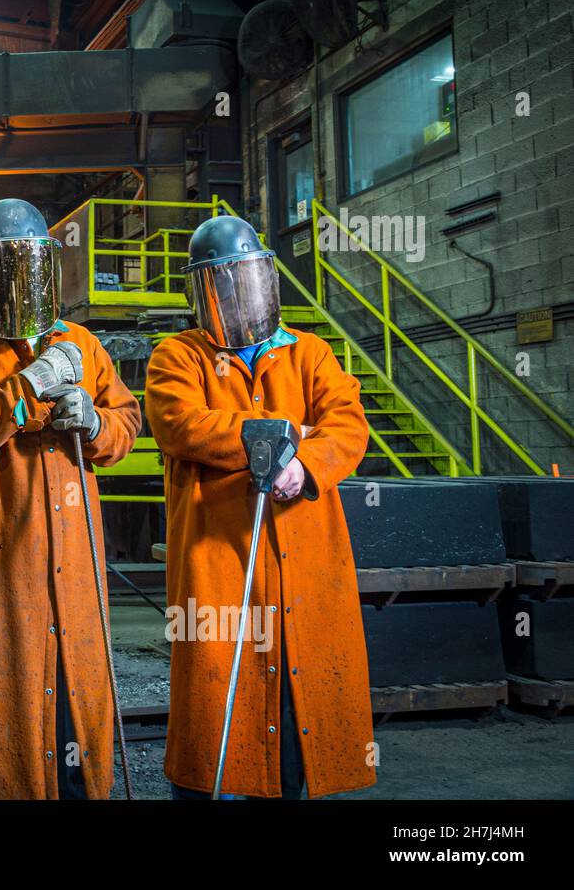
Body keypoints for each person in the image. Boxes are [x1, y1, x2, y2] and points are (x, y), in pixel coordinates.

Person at [145, 213, 374, 799]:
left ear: (265, 277)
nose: (233, 295)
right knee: (213, 714)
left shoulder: (311, 353)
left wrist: (303, 465)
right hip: (218, 570)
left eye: (241, 279)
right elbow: (183, 426)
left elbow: (346, 425)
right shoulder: (178, 356)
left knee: (298, 717)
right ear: (199, 290)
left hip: (303, 570)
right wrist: (275, 434)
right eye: (217, 284)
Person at [0, 199, 141, 799]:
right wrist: (31, 386)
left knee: (76, 701)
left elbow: (126, 421)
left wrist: (96, 423)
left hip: (73, 565)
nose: (21, 278)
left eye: (31, 264)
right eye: (6, 265)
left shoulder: (79, 342)